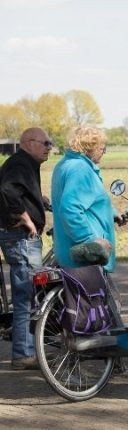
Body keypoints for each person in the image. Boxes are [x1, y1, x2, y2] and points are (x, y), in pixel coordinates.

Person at [0, 128, 52, 370]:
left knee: (29, 295)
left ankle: (26, 350)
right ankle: (23, 354)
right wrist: (26, 219)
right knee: (27, 295)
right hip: (21, 238)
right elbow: (8, 190)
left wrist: (45, 204)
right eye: (46, 143)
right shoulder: (20, 163)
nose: (49, 147)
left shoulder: (25, 164)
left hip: (19, 237)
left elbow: (24, 191)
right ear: (29, 143)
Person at [51, 126, 117, 272]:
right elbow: (70, 208)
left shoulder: (64, 164)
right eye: (102, 148)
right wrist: (90, 242)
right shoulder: (81, 169)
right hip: (86, 260)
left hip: (68, 252)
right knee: (91, 295)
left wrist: (112, 214)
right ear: (90, 147)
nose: (104, 153)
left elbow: (90, 200)